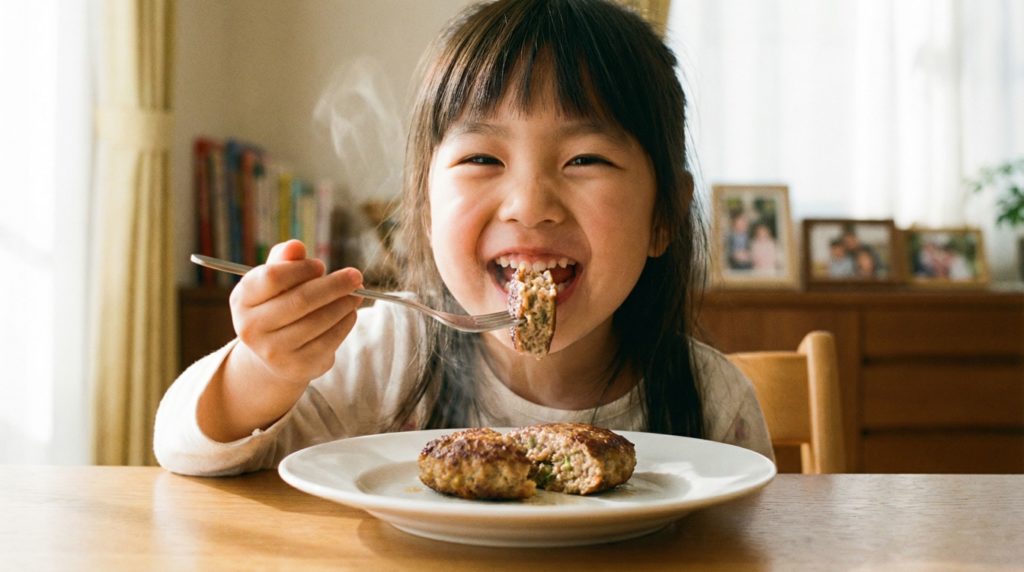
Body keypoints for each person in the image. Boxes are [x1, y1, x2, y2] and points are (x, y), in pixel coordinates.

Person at [154, 0, 773, 476]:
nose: (530, 205)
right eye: (482, 157)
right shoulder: (385, 355)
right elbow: (184, 448)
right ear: (424, 207)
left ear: (664, 215)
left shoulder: (712, 401)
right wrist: (263, 367)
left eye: (586, 159)